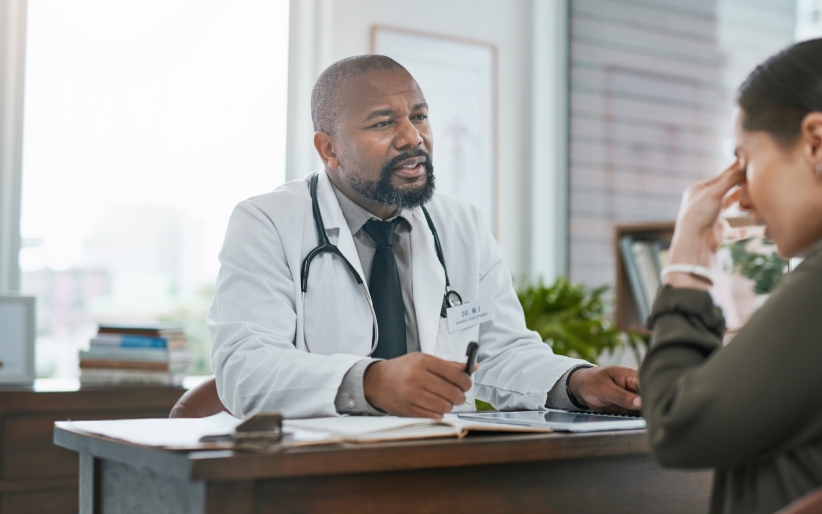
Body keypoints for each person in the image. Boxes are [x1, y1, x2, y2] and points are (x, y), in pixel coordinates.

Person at [208, 55, 641, 419]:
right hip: (324, 472)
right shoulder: (266, 222)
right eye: (383, 123)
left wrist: (577, 382)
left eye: (419, 116)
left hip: (443, 463)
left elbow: (500, 352)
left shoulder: (460, 225)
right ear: (329, 149)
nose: (413, 137)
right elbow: (245, 369)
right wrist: (371, 382)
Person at [640, 38, 822, 514]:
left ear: (817, 142)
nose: (742, 197)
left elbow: (677, 426)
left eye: (745, 162)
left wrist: (686, 263)